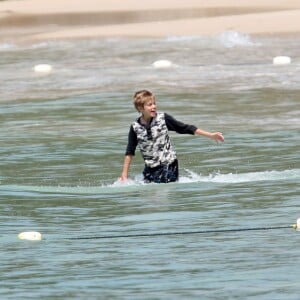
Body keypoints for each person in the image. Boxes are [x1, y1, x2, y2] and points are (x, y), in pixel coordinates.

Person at [119, 90, 224, 183]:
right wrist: (124, 174)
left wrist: (211, 135)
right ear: (141, 108)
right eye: (150, 105)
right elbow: (129, 152)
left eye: (154, 104)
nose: (154, 107)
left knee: (161, 193)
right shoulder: (135, 127)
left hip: (169, 164)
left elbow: (185, 128)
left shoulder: (163, 118)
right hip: (150, 167)